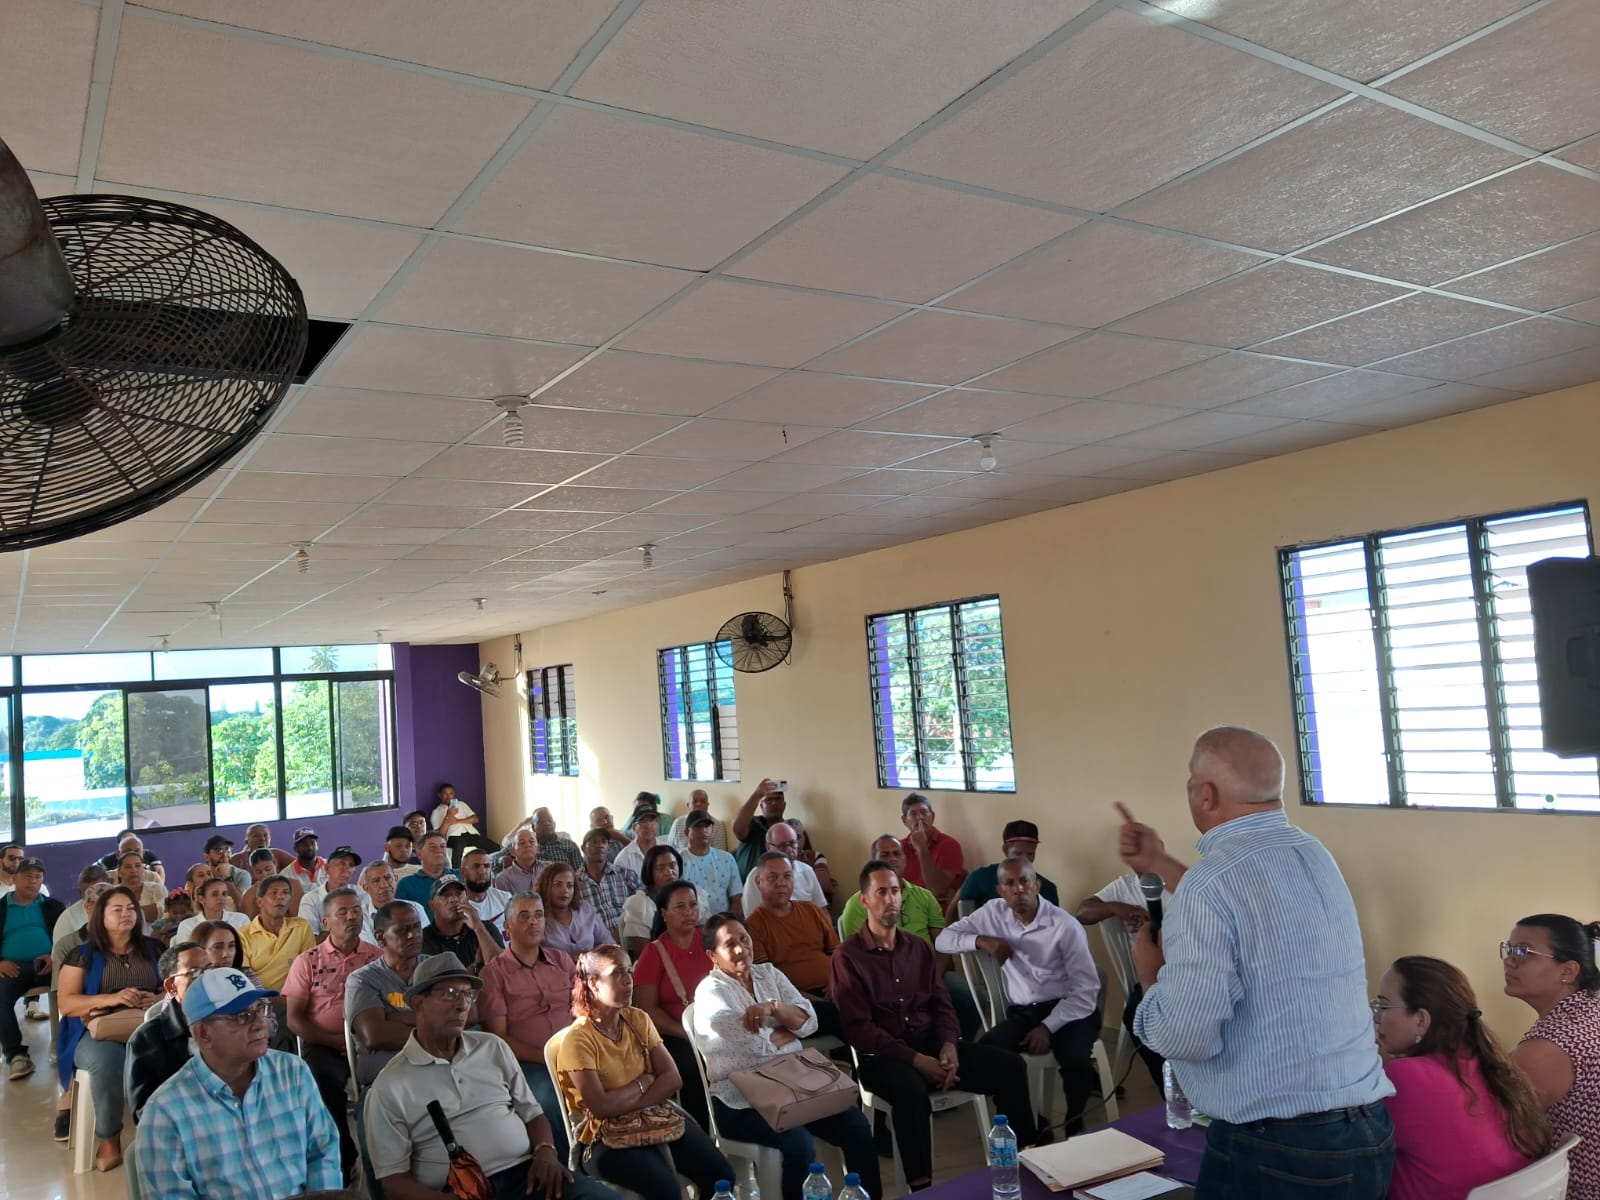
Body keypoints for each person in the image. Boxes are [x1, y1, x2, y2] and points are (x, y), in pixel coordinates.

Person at [1127, 726, 1393, 1198]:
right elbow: (1243, 901)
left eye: (1191, 777)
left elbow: (1187, 1036)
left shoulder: (1210, 885)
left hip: (1279, 1146)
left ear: (1206, 795)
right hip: (1365, 1128)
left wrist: (1150, 975)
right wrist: (1159, 861)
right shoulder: (1313, 854)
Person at [832, 859, 1035, 1191]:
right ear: (864, 900)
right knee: (911, 1094)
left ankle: (1025, 1162)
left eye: (895, 891)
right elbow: (858, 1029)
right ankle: (922, 1190)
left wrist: (949, 1045)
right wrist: (916, 1061)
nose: (890, 899)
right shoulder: (848, 956)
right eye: (881, 891)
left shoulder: (919, 948)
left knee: (1010, 1066)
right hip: (881, 1057)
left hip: (929, 1043)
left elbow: (942, 1004)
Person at [367, 952, 616, 1200]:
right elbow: (393, 1180)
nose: (462, 1004)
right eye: (449, 993)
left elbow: (532, 1113)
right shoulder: (391, 1085)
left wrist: (546, 1152)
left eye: (467, 995)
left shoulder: (491, 1047)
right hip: (460, 1191)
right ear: (419, 1003)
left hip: (529, 1174)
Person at [693, 912, 881, 1200]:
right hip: (741, 1101)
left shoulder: (769, 974)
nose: (741, 948)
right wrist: (789, 1032)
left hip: (794, 1087)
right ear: (712, 955)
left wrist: (774, 1009)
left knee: (855, 1125)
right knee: (798, 1144)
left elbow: (810, 1020)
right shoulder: (710, 992)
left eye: (744, 938)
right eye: (730, 944)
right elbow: (750, 1045)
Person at [134, 967, 340, 1198]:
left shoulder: (292, 1072)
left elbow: (323, 1152)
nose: (259, 1023)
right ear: (203, 1033)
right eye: (241, 1016)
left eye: (259, 1009)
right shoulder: (166, 1112)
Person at [937, 857, 1102, 1135]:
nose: (1018, 890)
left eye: (1024, 882)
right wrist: (981, 940)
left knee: (1075, 1061)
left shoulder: (1063, 925)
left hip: (1070, 1009)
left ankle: (1075, 1121)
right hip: (1024, 1012)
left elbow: (1086, 991)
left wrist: (1047, 1027)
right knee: (989, 1053)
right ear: (1001, 891)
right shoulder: (993, 913)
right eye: (1010, 884)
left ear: (1036, 886)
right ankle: (1029, 1125)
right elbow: (943, 939)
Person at [555, 944, 733, 1200]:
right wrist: (645, 1082)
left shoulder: (638, 1019)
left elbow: (673, 1078)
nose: (629, 981)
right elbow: (601, 1107)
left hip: (653, 1117)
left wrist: (630, 1100)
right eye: (617, 974)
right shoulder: (578, 1039)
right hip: (602, 1137)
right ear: (593, 984)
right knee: (666, 1189)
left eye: (629, 971)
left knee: (721, 1174)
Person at [1373, 955, 1548, 1199]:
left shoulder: (1404, 1077)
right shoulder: (1490, 1066)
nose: (1375, 1016)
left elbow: (1355, 1151)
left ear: (1421, 1020)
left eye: (1383, 1006)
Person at [55, 884, 164, 1172]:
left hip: (145, 1025)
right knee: (107, 1061)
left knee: (175, 1052)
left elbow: (174, 987)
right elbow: (67, 1004)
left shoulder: (153, 948)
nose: (126, 914)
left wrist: (158, 996)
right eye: (117, 909)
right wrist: (112, 998)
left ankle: (163, 1135)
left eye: (131, 908)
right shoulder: (82, 955)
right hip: (95, 1030)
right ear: (100, 916)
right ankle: (109, 1139)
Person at [839, 834, 981, 1040]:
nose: (892, 859)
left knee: (973, 1000)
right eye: (885, 854)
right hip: (886, 978)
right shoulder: (857, 904)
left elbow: (943, 944)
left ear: (906, 859)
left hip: (931, 971)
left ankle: (954, 1048)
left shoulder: (924, 896)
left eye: (897, 854)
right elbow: (858, 957)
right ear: (873, 861)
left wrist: (934, 977)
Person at [284, 886, 381, 1177]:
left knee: (393, 1079)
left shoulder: (377, 958)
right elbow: (294, 1019)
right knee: (323, 1082)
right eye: (343, 913)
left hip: (371, 1040)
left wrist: (360, 1041)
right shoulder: (307, 961)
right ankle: (342, 1156)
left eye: (356, 911)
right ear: (325, 923)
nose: (352, 917)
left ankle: (388, 1157)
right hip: (325, 1043)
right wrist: (336, 1041)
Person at [479, 892, 578, 1167]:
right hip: (528, 1063)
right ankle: (565, 1166)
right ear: (507, 928)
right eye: (523, 916)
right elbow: (499, 1038)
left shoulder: (563, 961)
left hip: (576, 1052)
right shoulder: (494, 973)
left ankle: (610, 1154)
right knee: (547, 1096)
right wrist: (548, 1058)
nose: (533, 922)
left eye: (538, 915)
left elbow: (581, 1011)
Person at [1506, 912, 1600, 1197]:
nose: (1509, 960)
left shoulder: (1551, 1045)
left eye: (1523, 952)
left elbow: (1485, 1125)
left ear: (1568, 972)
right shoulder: (1589, 1012)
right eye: (1508, 949)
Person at [1075, 867, 1175, 1088]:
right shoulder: (1125, 886)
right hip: (1149, 979)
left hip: (1188, 974)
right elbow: (1082, 913)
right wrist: (1114, 907)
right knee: (1135, 1011)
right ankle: (1171, 1088)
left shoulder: (1181, 884)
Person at [634, 879, 713, 1128]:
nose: (689, 912)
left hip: (715, 1027)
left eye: (693, 905)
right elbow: (648, 1009)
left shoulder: (711, 941)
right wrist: (687, 1033)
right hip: (674, 1033)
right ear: (664, 914)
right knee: (692, 1066)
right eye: (680, 907)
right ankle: (699, 1132)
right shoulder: (654, 952)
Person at [745, 853, 840, 1036]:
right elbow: (768, 982)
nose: (781, 882)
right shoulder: (753, 926)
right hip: (796, 1001)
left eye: (787, 876)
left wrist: (838, 983)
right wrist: (816, 1001)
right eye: (773, 877)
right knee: (847, 1015)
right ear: (758, 882)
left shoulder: (812, 910)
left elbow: (838, 954)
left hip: (835, 988)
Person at [345, 900, 428, 1086]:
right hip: (387, 1079)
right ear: (380, 937)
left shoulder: (434, 968)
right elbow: (374, 1035)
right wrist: (436, 1024)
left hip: (436, 1072)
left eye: (417, 927)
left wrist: (393, 1018)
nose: (413, 935)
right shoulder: (362, 980)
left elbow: (469, 1014)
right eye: (402, 930)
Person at [126, 939, 210, 1121]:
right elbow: (143, 1112)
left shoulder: (230, 1022)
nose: (206, 978)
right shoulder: (147, 1039)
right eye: (195, 972)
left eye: (210, 969)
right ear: (171, 986)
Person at [0, 856, 63, 1079]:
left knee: (77, 984)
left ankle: (66, 1046)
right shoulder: (1, 908)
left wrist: (54, 955)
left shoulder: (52, 906)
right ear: (14, 879)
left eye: (38, 877)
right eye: (28, 876)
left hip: (50, 965)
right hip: (12, 969)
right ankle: (16, 1056)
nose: (33, 881)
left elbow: (67, 937)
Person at [621, 845, 710, 958]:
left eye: (673, 866)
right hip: (660, 962)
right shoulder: (640, 904)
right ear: (650, 872)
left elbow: (705, 935)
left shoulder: (693, 894)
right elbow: (644, 954)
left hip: (696, 956)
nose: (669, 872)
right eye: (660, 868)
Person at [958, 820, 1060, 909]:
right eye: (1018, 853)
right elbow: (956, 907)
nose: (1025, 860)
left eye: (1030, 854)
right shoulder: (980, 877)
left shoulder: (1047, 889)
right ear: (1006, 850)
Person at [240, 874, 316, 992]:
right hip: (259, 1000)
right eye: (273, 893)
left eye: (285, 893)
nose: (280, 897)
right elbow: (245, 978)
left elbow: (309, 967)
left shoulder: (301, 927)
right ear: (260, 902)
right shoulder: (243, 935)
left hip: (295, 997)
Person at [739, 819, 827, 914]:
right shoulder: (756, 876)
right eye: (782, 846)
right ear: (768, 847)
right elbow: (751, 920)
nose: (789, 850)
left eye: (793, 844)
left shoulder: (807, 870)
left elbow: (822, 909)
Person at [421, 876, 504, 971]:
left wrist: (479, 929)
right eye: (445, 895)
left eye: (459, 894)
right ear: (432, 905)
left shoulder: (486, 928)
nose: (454, 899)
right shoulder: (424, 939)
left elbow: (503, 969)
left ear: (467, 900)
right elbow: (440, 983)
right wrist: (475, 965)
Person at [578, 827, 644, 944]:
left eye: (604, 842)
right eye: (594, 842)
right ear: (583, 848)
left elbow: (644, 904)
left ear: (609, 849)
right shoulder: (574, 883)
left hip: (630, 940)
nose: (600, 845)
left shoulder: (625, 874)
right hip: (596, 945)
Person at [900, 794, 965, 909]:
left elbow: (938, 890)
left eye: (924, 812)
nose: (920, 817)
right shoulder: (899, 848)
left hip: (938, 913)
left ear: (933, 816)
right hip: (907, 911)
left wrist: (922, 848)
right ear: (905, 821)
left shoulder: (949, 845)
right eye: (913, 814)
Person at [536, 862, 610, 956]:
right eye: (558, 885)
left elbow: (608, 944)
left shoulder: (585, 909)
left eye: (569, 886)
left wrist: (592, 957)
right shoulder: (537, 917)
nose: (565, 890)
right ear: (545, 887)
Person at [680, 810, 741, 918]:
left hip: (723, 925)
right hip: (690, 926)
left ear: (713, 831)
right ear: (686, 832)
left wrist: (730, 924)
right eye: (697, 827)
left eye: (707, 826)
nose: (703, 830)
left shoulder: (726, 859)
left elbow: (736, 897)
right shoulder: (678, 860)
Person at [355, 861, 428, 946]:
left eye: (388, 878)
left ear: (396, 879)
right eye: (376, 881)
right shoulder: (360, 916)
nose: (384, 885)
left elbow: (425, 942)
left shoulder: (415, 908)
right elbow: (371, 949)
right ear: (366, 888)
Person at [298, 845, 362, 937]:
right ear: (327, 868)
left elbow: (366, 931)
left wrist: (329, 933)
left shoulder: (362, 895)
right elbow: (310, 941)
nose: (347, 869)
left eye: (351, 865)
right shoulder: (310, 900)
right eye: (342, 863)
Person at [730, 778, 787, 879]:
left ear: (784, 804)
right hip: (747, 888)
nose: (774, 803)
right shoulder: (752, 823)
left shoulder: (789, 830)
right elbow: (737, 829)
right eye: (768, 800)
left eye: (778, 799)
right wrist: (757, 795)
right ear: (761, 806)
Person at [431, 781, 498, 864]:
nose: (448, 796)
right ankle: (456, 873)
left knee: (494, 846)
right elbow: (440, 834)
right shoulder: (437, 811)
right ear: (440, 795)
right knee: (458, 847)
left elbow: (475, 819)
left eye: (451, 793)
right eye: (445, 794)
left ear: (454, 794)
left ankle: (492, 868)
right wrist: (448, 816)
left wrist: (457, 821)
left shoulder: (461, 804)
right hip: (454, 836)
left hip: (471, 833)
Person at [177, 875, 252, 944]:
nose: (221, 898)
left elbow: (249, 948)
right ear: (201, 899)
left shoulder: (241, 919)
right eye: (215, 894)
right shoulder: (187, 925)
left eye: (224, 894)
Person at [193, 918, 265, 987]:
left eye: (231, 946)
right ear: (200, 950)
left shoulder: (246, 974)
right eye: (218, 947)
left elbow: (262, 999)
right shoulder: (195, 981)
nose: (226, 954)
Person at [396, 830, 458, 909]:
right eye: (432, 847)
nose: (439, 850)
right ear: (419, 854)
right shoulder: (406, 884)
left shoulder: (461, 875)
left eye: (442, 846)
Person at [458, 847, 512, 935]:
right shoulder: (457, 907)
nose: (483, 871)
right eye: (476, 866)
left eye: (487, 866)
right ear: (463, 872)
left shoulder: (505, 898)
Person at [242, 847, 306, 919]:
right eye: (259, 872)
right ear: (252, 873)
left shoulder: (293, 885)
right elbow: (248, 924)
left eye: (268, 869)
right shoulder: (249, 895)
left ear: (275, 864)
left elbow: (298, 917)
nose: (265, 875)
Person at [785, 818, 835, 907]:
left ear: (804, 837)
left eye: (798, 837)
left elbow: (823, 884)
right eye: (790, 839)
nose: (795, 842)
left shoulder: (815, 856)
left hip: (817, 908)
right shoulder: (776, 863)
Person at [668, 788, 730, 855]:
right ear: (688, 805)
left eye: (702, 801)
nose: (698, 804)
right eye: (694, 801)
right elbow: (669, 850)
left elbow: (720, 853)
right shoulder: (677, 823)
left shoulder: (717, 825)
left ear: (707, 805)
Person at [612, 802, 661, 880]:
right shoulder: (623, 859)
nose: (649, 825)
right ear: (634, 827)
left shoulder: (667, 849)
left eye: (652, 820)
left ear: (657, 824)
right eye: (644, 821)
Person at [116, 849, 166, 923]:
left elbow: (163, 912)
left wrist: (122, 913)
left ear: (143, 870)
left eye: (138, 866)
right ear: (119, 872)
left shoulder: (157, 889)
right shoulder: (111, 892)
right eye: (128, 867)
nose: (133, 870)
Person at [201, 834, 252, 904]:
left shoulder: (242, 875)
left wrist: (227, 878)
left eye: (227, 850)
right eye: (219, 851)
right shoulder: (202, 875)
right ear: (207, 857)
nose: (225, 855)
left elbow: (242, 904)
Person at [100, 831, 166, 884]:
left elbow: (159, 869)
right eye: (128, 851)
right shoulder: (108, 878)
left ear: (143, 853)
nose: (133, 854)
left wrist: (160, 885)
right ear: (118, 854)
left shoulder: (152, 877)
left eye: (137, 851)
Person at [494, 828, 545, 895]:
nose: (527, 845)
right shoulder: (504, 879)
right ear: (513, 852)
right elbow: (507, 904)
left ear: (538, 849)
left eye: (531, 842)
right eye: (522, 843)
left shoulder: (549, 869)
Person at [230, 824, 296, 872]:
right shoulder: (237, 859)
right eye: (256, 836)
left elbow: (299, 866)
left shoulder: (277, 854)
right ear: (247, 841)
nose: (262, 839)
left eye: (265, 835)